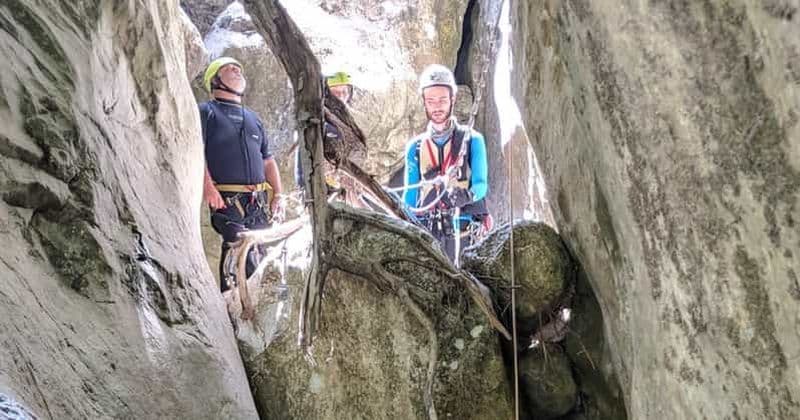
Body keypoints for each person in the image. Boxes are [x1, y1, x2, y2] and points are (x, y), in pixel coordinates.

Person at [199, 56, 284, 292]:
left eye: (239, 69)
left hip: (258, 201)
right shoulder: (207, 112)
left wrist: (278, 194)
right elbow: (197, 152)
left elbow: (267, 160)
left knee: (260, 251)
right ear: (215, 80)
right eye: (229, 69)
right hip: (228, 200)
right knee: (238, 248)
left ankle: (256, 305)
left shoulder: (253, 118)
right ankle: (233, 307)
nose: (237, 70)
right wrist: (208, 187)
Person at [403, 64, 490, 263]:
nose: (437, 107)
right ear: (424, 102)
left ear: (453, 99)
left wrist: (468, 195)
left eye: (442, 100)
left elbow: (481, 183)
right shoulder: (415, 148)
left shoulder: (472, 140)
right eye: (431, 101)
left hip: (464, 231)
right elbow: (409, 196)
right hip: (428, 232)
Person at [294, 71, 367, 207]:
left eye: (344, 92)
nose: (341, 97)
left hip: (345, 193)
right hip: (323, 195)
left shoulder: (348, 124)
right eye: (336, 93)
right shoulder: (318, 122)